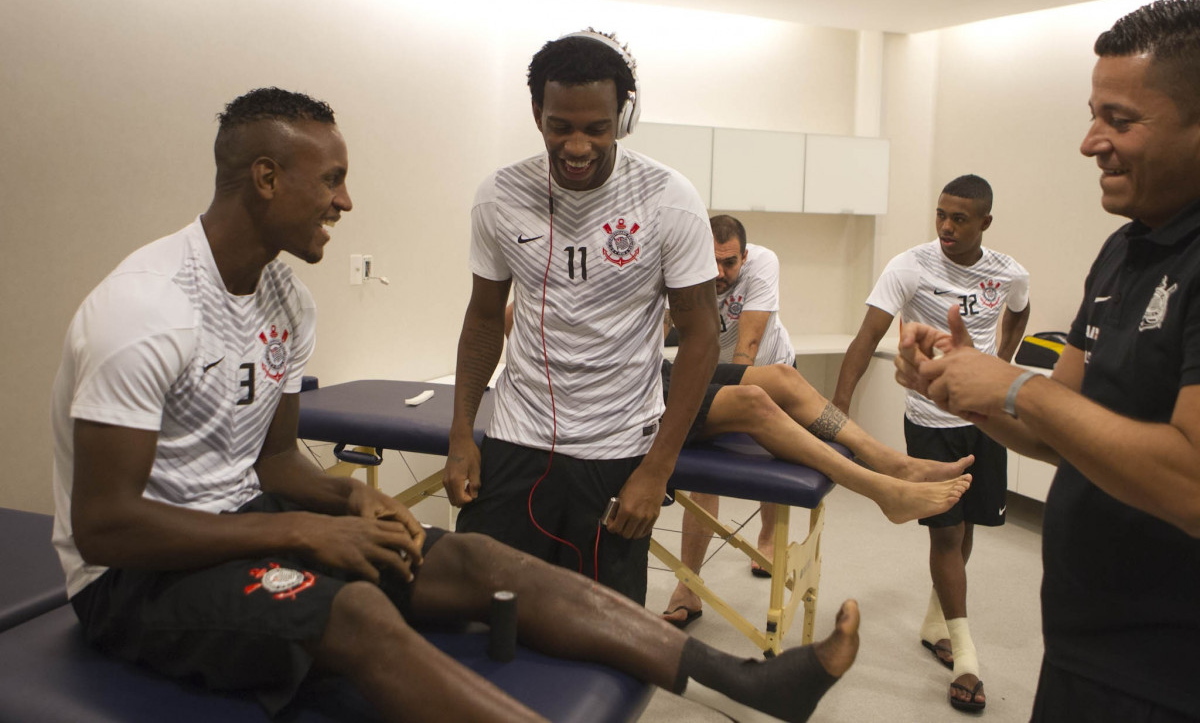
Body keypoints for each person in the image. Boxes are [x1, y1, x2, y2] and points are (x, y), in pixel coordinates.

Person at [51, 86, 861, 723]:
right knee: (361, 612)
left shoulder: (285, 298)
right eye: (331, 179)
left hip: (243, 523)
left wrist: (352, 496)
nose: (346, 202)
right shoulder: (146, 308)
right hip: (134, 580)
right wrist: (302, 528)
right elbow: (107, 526)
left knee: (485, 562)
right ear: (266, 178)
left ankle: (752, 681)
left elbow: (273, 460)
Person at [894, 0, 1200, 722]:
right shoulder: (1125, 251)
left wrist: (1014, 387)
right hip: (1082, 647)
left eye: (1120, 120)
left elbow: (1192, 481)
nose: (1091, 141)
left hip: (1171, 673)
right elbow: (1064, 431)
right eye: (1094, 113)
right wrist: (960, 387)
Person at [444, 29, 721, 605]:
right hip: (518, 437)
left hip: (617, 448)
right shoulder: (499, 196)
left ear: (623, 115)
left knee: (600, 627)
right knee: (475, 606)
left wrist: (657, 469)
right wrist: (462, 433)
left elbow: (700, 338)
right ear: (536, 114)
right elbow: (482, 317)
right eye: (559, 126)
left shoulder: (669, 199)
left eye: (596, 128)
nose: (576, 146)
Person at [660, 216, 974, 628]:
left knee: (782, 379)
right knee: (754, 401)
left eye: (729, 263)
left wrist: (738, 384)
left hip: (725, 363)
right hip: (668, 381)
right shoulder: (681, 270)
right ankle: (880, 490)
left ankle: (896, 465)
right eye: (713, 263)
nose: (720, 273)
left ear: (744, 256)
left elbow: (748, 342)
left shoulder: (760, 264)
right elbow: (661, 330)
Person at [833, 174, 1030, 713]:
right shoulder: (910, 266)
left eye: (959, 218)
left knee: (965, 531)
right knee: (947, 536)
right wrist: (838, 412)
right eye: (941, 214)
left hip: (987, 420)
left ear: (985, 222)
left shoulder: (1007, 271)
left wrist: (1002, 363)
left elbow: (1019, 306)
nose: (945, 226)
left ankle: (936, 623)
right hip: (930, 420)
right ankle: (966, 657)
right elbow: (866, 338)